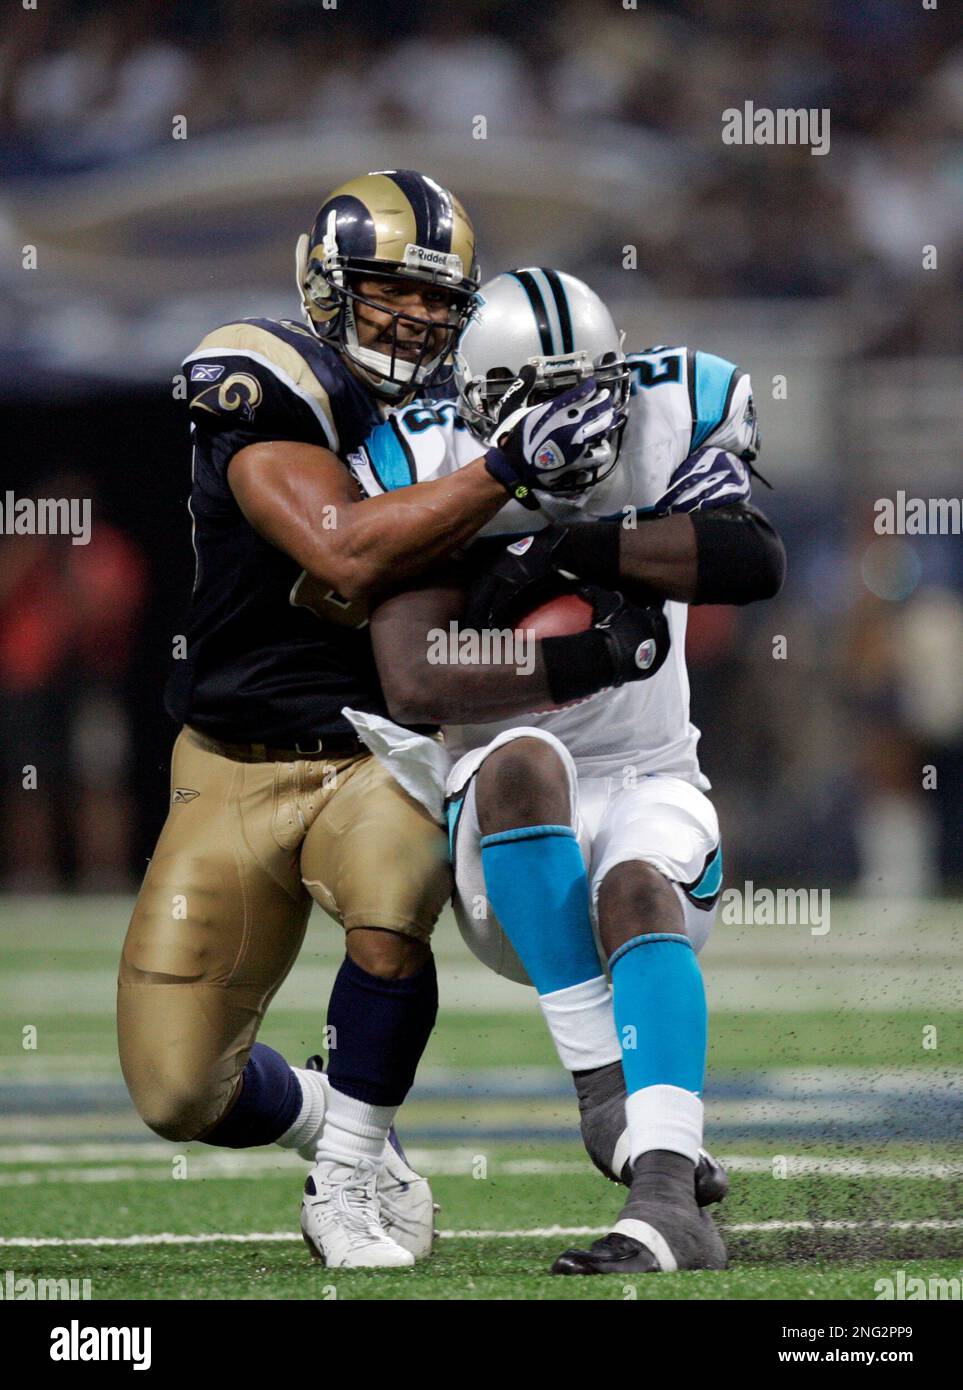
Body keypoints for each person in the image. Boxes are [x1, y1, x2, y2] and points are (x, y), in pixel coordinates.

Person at [117, 179, 624, 1269]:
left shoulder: (480, 404)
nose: (415, 318)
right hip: (230, 759)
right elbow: (342, 547)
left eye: (438, 300)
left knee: (392, 915)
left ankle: (343, 1174)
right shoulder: (268, 373)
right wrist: (507, 470)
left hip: (374, 747)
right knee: (176, 1090)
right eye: (390, 289)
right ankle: (332, 1116)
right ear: (328, 284)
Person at [347, 268, 785, 1273]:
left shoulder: (679, 402)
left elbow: (755, 560)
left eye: (583, 390)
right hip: (502, 847)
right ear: (476, 402)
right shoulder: (425, 453)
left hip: (653, 781)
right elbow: (416, 678)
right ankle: (602, 1093)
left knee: (637, 881)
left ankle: (668, 1197)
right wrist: (594, 647)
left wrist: (562, 548)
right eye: (527, 404)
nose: (566, 425)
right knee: (523, 761)